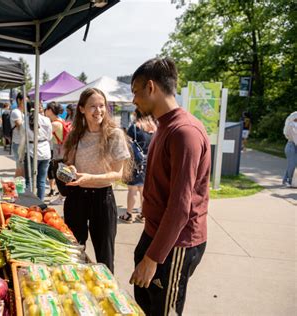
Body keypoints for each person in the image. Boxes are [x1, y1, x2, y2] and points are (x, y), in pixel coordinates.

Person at [128, 57, 210, 316]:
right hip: (156, 233)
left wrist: (153, 258)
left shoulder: (184, 132)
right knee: (144, 302)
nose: (134, 100)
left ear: (151, 87)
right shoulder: (164, 126)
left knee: (164, 310)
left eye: (135, 92)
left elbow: (179, 207)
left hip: (178, 243)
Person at [62, 88, 131, 272]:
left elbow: (118, 174)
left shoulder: (114, 135)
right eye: (92, 106)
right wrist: (70, 170)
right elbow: (68, 164)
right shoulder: (75, 134)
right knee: (73, 252)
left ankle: (107, 294)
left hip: (102, 198)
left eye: (102, 106)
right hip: (77, 198)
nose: (98, 110)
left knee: (105, 257)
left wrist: (90, 178)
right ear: (82, 109)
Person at [119, 109, 157, 224]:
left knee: (132, 189)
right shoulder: (155, 127)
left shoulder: (134, 128)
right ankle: (143, 214)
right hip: (149, 161)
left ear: (136, 114)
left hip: (136, 162)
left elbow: (128, 145)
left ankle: (128, 215)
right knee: (143, 189)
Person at [19, 104, 52, 201]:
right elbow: (49, 137)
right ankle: (40, 204)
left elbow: (23, 137)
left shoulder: (25, 121)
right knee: (41, 181)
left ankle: (28, 202)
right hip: (45, 151)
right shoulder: (46, 120)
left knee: (29, 180)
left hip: (31, 151)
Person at [44, 101, 66, 201]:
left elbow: (44, 135)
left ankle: (62, 196)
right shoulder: (60, 120)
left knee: (59, 176)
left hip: (59, 152)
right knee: (62, 175)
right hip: (63, 151)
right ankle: (62, 195)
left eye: (47, 109)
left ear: (51, 111)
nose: (45, 111)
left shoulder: (54, 124)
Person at [11, 93, 25, 177]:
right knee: (20, 167)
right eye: (25, 101)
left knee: (22, 168)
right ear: (19, 100)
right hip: (18, 143)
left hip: (24, 143)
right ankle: (15, 186)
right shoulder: (16, 112)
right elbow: (21, 127)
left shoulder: (23, 112)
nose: (27, 103)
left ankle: (14, 186)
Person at [283, 111, 297, 187]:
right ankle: (288, 180)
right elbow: (287, 133)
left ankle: (286, 180)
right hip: (291, 145)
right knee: (292, 164)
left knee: (292, 164)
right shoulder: (292, 122)